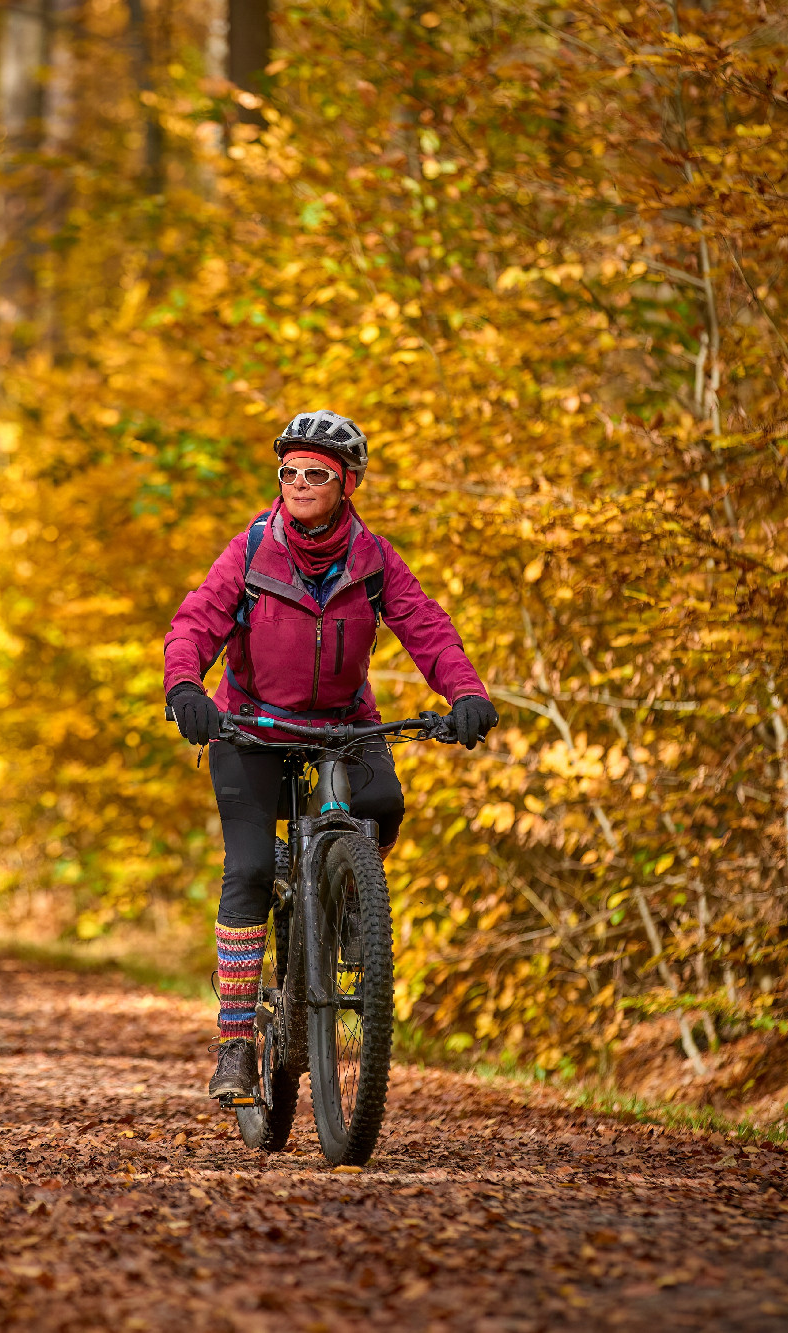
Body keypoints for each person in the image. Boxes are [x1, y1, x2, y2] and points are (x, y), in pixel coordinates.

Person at [162, 409, 499, 1100]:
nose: (301, 483)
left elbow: (425, 625)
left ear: (346, 484)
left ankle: (349, 902)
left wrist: (464, 690)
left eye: (317, 473)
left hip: (341, 725)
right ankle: (234, 1042)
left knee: (384, 802)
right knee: (252, 867)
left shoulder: (373, 559)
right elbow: (198, 618)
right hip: (250, 725)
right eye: (290, 472)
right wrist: (187, 685)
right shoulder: (254, 548)